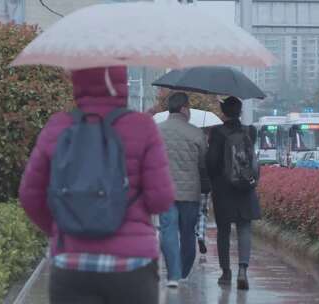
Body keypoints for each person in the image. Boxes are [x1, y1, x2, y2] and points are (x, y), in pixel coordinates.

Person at [19, 66, 175, 304]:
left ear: (78, 81)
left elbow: (30, 195)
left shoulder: (58, 126)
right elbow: (161, 199)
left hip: (71, 262)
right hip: (132, 265)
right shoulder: (142, 127)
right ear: (122, 82)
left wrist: (61, 227)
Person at [206, 96, 261, 291]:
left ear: (223, 112)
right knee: (244, 228)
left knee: (224, 232)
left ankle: (226, 273)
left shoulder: (217, 133)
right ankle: (243, 270)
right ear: (240, 111)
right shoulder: (250, 131)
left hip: (223, 190)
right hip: (246, 187)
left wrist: (211, 181)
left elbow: (211, 164)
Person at [158, 92, 209, 288]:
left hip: (165, 191)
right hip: (190, 193)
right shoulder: (196, 133)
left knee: (168, 231)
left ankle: (173, 273)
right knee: (188, 233)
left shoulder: (157, 131)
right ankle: (184, 273)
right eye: (188, 107)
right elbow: (204, 165)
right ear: (183, 109)